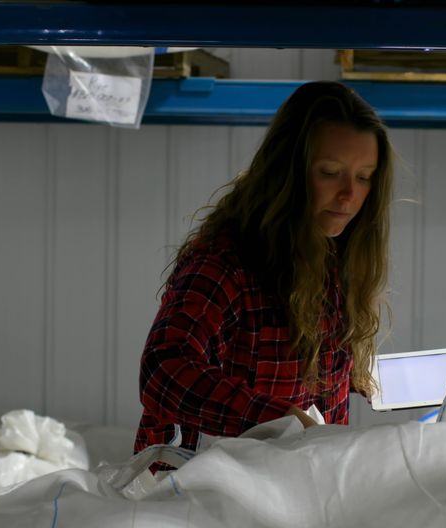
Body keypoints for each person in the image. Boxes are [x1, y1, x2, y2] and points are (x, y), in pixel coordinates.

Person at [135, 81, 394, 455]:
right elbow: (163, 370)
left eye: (364, 177)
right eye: (330, 172)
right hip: (199, 496)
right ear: (287, 172)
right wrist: (277, 419)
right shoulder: (226, 262)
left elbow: (302, 382)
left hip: (294, 485)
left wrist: (351, 375)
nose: (349, 195)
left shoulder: (332, 256)